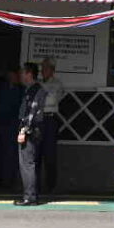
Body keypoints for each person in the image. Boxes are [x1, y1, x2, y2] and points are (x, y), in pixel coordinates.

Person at [31, 58, 66, 198]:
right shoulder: (37, 84)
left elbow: (52, 100)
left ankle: (51, 186)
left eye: (46, 68)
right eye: (42, 68)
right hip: (38, 119)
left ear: (52, 70)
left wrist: (40, 99)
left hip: (50, 119)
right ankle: (36, 185)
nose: (43, 70)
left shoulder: (57, 84)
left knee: (50, 154)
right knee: (36, 153)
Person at [12, 63, 46, 205]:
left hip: (30, 130)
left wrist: (23, 130)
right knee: (28, 163)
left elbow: (31, 113)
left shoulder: (34, 91)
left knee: (27, 164)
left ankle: (29, 197)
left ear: (29, 74)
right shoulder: (32, 90)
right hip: (33, 129)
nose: (20, 75)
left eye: (22, 73)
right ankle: (30, 195)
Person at [0, 64, 25, 188]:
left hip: (12, 124)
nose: (12, 77)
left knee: (9, 153)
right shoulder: (1, 87)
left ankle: (8, 180)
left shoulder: (21, 90)